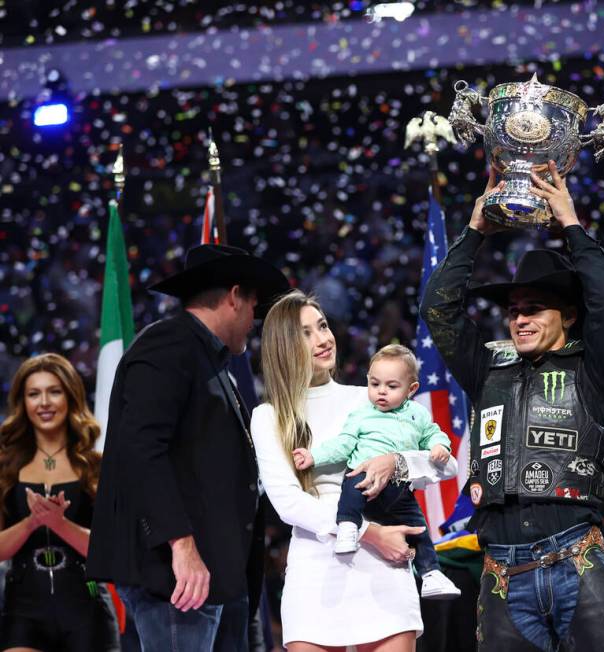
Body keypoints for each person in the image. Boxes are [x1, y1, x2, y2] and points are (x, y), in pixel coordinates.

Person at [419, 163, 604, 651]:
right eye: (513, 310)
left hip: (576, 559)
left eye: (533, 309)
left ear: (567, 315)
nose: (519, 320)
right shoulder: (486, 367)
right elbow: (437, 309)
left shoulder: (594, 366)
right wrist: (475, 230)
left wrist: (572, 225)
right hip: (502, 571)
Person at [87, 243, 289, 652]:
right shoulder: (169, 346)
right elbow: (142, 448)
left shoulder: (205, 358)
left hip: (211, 573)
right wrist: (180, 544)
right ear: (234, 296)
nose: (255, 319)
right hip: (176, 575)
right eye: (254, 304)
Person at [250, 290, 458, 651]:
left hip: (383, 568)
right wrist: (369, 532)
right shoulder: (268, 416)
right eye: (306, 333)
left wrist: (397, 463)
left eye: (323, 326)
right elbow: (288, 504)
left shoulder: (372, 396)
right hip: (316, 571)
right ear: (283, 346)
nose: (323, 339)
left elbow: (448, 466)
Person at [292, 343, 461, 599]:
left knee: (419, 528)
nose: (381, 392)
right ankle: (348, 526)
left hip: (399, 490)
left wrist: (440, 446)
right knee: (352, 484)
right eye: (375, 384)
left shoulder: (419, 415)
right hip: (363, 478)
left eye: (392, 386)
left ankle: (430, 574)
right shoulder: (361, 415)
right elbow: (343, 444)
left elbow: (434, 435)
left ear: (411, 389)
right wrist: (313, 456)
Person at [0, 353, 120, 651]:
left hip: (88, 606)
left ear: (71, 396)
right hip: (22, 609)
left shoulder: (98, 467)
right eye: (33, 393)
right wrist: (32, 523)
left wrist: (59, 524)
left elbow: (112, 551)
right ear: (22, 402)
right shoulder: (5, 467)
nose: (44, 403)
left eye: (54, 391)